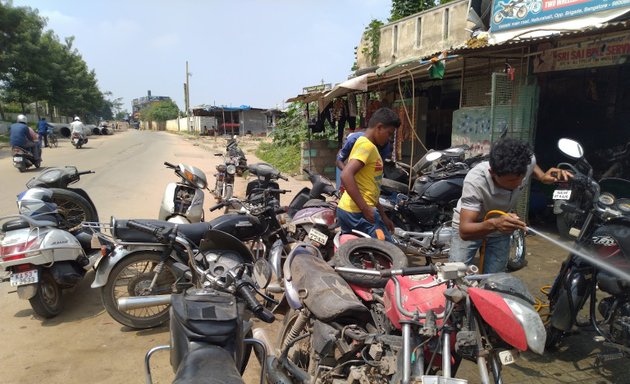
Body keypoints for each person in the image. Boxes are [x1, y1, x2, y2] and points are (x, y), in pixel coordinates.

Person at [449, 137, 571, 273]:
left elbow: (532, 163)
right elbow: (465, 231)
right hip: (473, 225)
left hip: (500, 227)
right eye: (512, 180)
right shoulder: (476, 180)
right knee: (454, 275)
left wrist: (542, 176)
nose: (519, 184)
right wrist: (495, 224)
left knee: (495, 279)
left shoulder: (526, 163)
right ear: (492, 173)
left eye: (522, 177)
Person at [336, 107, 400, 240]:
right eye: (389, 133)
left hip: (353, 210)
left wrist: (383, 216)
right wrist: (365, 208)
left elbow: (370, 188)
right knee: (390, 252)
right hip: (358, 213)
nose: (389, 139)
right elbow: (346, 175)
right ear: (379, 127)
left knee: (361, 255)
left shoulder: (367, 145)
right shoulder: (367, 146)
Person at [335, 127, 393, 191]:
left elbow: (378, 167)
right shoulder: (353, 140)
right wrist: (349, 173)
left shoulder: (385, 146)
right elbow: (339, 161)